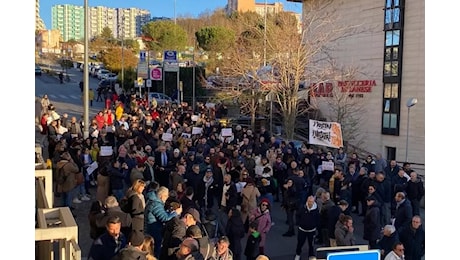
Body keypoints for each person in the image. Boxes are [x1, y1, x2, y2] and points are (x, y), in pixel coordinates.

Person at [145, 185, 179, 258]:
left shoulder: (154, 201)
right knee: (155, 249)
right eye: (166, 196)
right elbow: (164, 218)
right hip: (154, 230)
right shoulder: (156, 204)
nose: (167, 198)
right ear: (161, 196)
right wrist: (176, 213)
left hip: (152, 229)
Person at [294, 195, 320, 260]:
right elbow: (297, 215)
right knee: (300, 243)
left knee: (311, 245)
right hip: (302, 230)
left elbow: (318, 219)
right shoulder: (302, 208)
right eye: (309, 201)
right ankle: (298, 254)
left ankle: (311, 256)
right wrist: (299, 223)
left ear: (314, 202)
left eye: (311, 201)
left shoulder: (316, 210)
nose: (310, 203)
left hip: (312, 231)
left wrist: (315, 225)